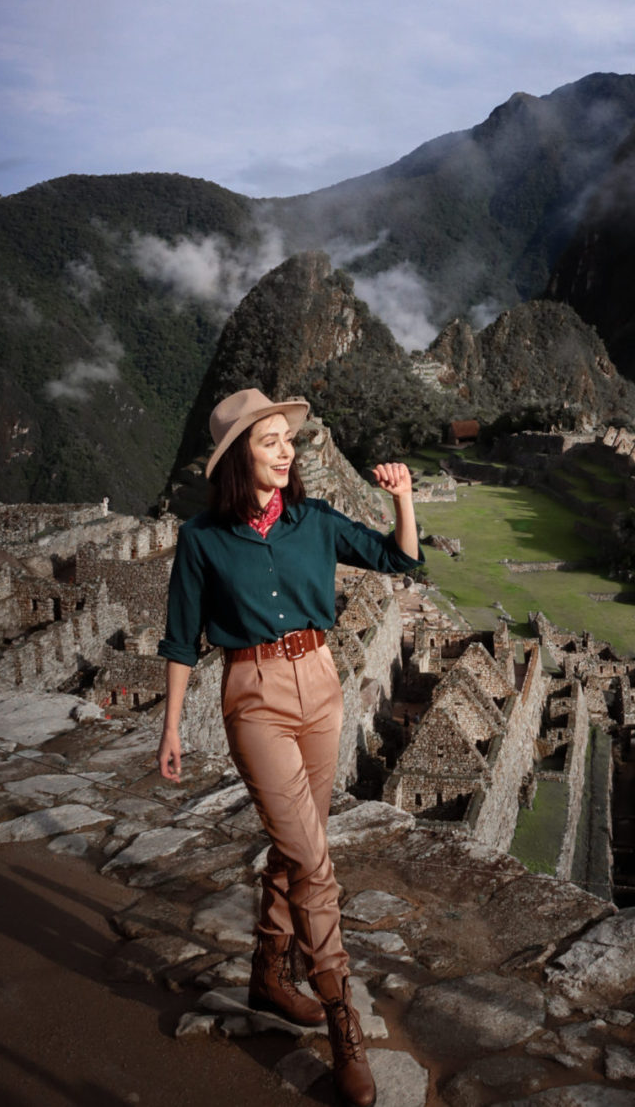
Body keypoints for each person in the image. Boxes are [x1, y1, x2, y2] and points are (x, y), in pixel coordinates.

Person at [156, 388, 423, 1107]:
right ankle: (342, 1019)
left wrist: (402, 498)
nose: (286, 452)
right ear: (237, 457)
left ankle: (268, 977)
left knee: (295, 845)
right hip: (254, 695)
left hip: (321, 686)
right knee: (312, 859)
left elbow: (398, 559)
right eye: (269, 440)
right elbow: (181, 638)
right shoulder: (203, 539)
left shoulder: (315, 521)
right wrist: (172, 725)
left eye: (287, 439)